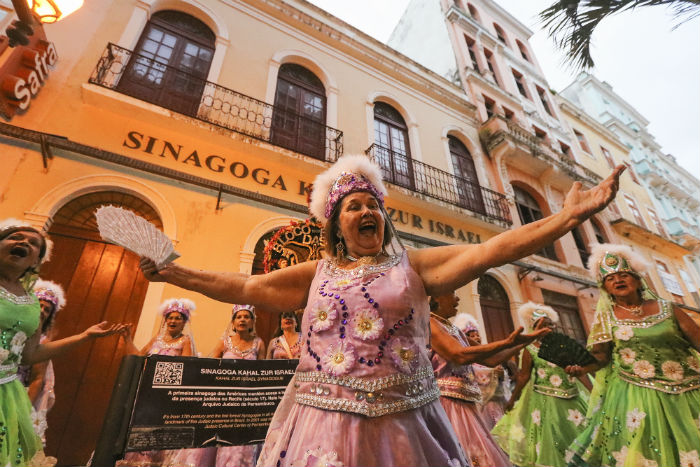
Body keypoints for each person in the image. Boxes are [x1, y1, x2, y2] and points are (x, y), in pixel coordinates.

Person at [139, 154, 624, 467]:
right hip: (323, 422)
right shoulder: (317, 272)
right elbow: (245, 283)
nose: (366, 211)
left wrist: (568, 218)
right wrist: (175, 273)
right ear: (335, 223)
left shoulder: (413, 266)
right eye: (353, 206)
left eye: (373, 205)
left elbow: (492, 251)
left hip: (403, 424)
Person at [564, 243, 700, 467]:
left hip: (688, 392)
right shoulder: (607, 318)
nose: (618, 280)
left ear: (638, 280)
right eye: (611, 278)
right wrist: (582, 368)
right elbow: (600, 357)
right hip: (636, 396)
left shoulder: (668, 308)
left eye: (624, 275)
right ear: (605, 287)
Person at [0, 219, 122, 466]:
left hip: (5, 392)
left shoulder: (31, 303)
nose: (23, 242)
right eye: (15, 237)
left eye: (34, 244)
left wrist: (84, 337)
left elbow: (30, 355)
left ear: (36, 261)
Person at [430, 292, 544, 467]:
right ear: (437, 297)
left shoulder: (453, 329)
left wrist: (525, 341)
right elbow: (458, 355)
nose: (458, 298)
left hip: (466, 405)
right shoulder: (429, 323)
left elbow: (491, 359)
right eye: (452, 293)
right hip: (447, 406)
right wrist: (506, 342)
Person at [491, 303, 590, 467]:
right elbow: (523, 376)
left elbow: (581, 372)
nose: (547, 328)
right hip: (545, 403)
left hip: (572, 399)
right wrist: (513, 399)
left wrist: (594, 394)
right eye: (542, 325)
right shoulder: (530, 349)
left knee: (580, 436)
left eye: (550, 324)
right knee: (553, 441)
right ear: (534, 328)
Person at [121, 298, 210, 467]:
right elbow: (138, 358)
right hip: (148, 393)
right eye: (170, 317)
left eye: (178, 318)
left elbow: (186, 369)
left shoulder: (185, 341)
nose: (173, 321)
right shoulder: (156, 339)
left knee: (159, 437)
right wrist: (128, 339)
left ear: (184, 322)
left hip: (166, 397)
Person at [208, 304, 265, 467]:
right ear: (233, 322)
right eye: (239, 317)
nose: (242, 320)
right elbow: (210, 368)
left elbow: (262, 373)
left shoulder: (259, 343)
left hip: (246, 401)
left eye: (246, 317)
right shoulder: (224, 342)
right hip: (223, 398)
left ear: (252, 322)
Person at [453, 313, 512, 430]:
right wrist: (492, 373)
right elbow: (470, 373)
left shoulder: (486, 356)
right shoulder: (465, 357)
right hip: (479, 404)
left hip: (495, 401)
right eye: (471, 336)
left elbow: (500, 375)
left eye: (477, 335)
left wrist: (500, 373)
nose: (476, 338)